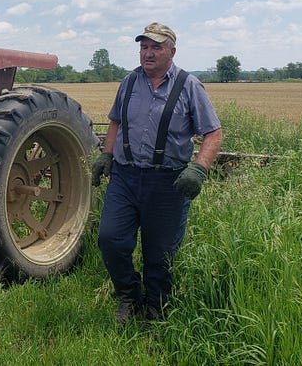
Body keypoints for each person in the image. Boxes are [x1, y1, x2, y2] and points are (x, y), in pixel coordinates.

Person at [91, 22, 223, 323]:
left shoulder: (188, 86)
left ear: (171, 52)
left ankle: (156, 309)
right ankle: (128, 296)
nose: (148, 53)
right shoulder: (128, 83)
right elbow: (115, 121)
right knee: (111, 239)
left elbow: (213, 133)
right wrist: (106, 155)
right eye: (144, 47)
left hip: (167, 182)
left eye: (156, 47)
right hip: (125, 177)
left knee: (159, 254)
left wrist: (199, 169)